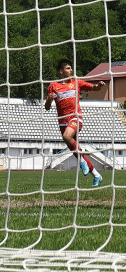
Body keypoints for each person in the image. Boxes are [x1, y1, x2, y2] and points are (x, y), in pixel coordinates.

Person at [45, 58, 106, 187]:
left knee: (67, 137)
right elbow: (47, 107)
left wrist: (99, 86)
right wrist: (49, 100)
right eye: (68, 68)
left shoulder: (76, 82)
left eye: (71, 68)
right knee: (76, 152)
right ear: (61, 71)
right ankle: (96, 175)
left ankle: (83, 162)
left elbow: (94, 88)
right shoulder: (53, 86)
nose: (71, 70)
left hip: (75, 118)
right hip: (62, 122)